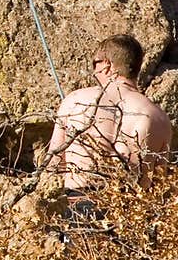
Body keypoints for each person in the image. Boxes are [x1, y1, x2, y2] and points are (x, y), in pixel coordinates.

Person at [46, 33, 172, 225]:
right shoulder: (159, 118)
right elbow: (159, 183)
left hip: (80, 205)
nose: (93, 70)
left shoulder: (75, 101)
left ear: (107, 65)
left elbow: (53, 163)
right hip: (131, 213)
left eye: (95, 63)